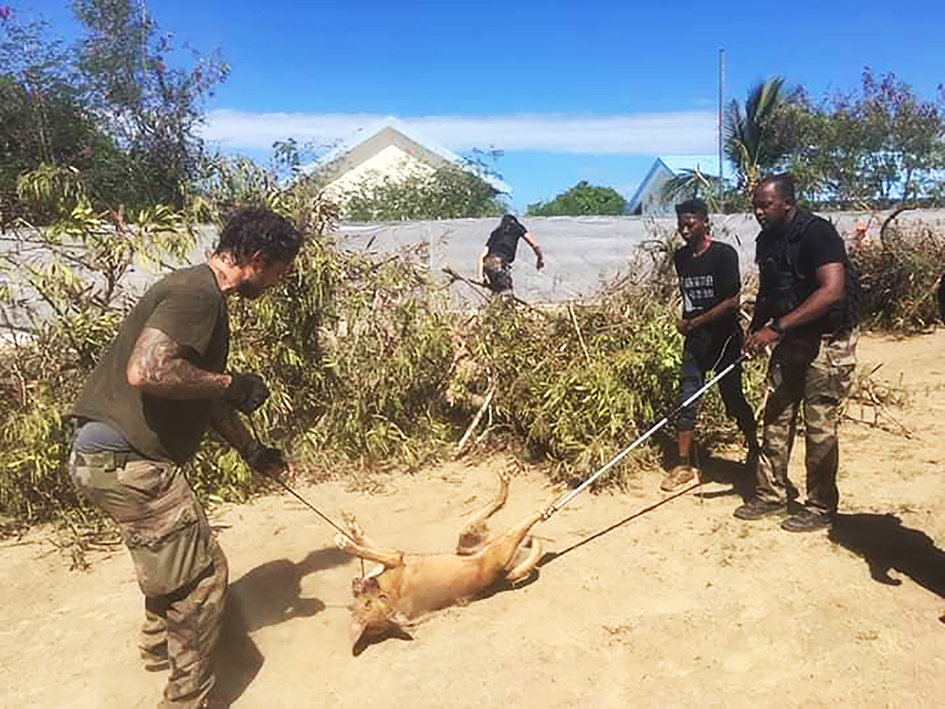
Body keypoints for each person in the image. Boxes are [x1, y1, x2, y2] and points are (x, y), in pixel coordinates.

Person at [68, 206, 305, 708]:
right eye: (280, 271)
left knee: (170, 559)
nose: (280, 282)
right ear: (258, 259)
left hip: (107, 459)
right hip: (127, 461)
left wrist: (253, 450)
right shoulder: (197, 294)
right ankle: (187, 699)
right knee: (200, 577)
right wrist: (232, 381)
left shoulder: (199, 293)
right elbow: (148, 370)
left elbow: (198, 393)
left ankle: (158, 649)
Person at [736, 174, 858, 532]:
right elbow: (768, 291)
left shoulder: (817, 234)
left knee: (819, 426)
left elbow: (832, 291)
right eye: (755, 205)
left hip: (826, 341)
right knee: (775, 415)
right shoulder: (767, 240)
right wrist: (755, 329)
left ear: (787, 202)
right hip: (790, 339)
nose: (758, 211)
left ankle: (820, 506)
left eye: (765, 204)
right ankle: (771, 495)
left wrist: (776, 329)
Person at [660, 198, 759, 492]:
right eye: (681, 224)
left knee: (733, 398)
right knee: (687, 400)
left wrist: (695, 323)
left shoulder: (723, 255)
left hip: (725, 339)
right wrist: (687, 324)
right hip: (695, 343)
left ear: (705, 222)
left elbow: (731, 301)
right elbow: (688, 297)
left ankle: (755, 449)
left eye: (690, 223)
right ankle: (683, 464)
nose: (684, 229)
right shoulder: (681, 258)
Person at [477, 214, 544, 294]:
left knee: (498, 290)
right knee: (507, 291)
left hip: (488, 264)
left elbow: (481, 256)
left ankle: (496, 304)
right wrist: (540, 258)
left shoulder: (496, 232)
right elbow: (534, 245)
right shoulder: (517, 227)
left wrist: (480, 276)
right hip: (499, 263)